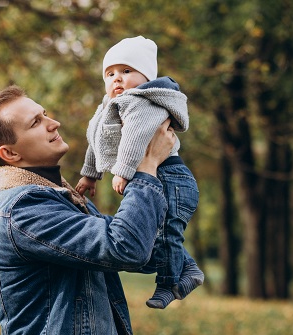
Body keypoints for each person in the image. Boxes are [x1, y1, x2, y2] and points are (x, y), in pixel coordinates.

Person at [0, 85, 176, 335]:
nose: (53, 123)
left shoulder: (60, 199)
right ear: (10, 154)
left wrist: (163, 167)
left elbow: (147, 252)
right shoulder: (26, 209)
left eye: (46, 114)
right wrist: (145, 168)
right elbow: (125, 245)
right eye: (35, 122)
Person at [75, 36, 204, 309]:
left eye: (126, 71)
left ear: (146, 77)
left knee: (168, 234)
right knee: (160, 236)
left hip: (171, 177)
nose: (117, 79)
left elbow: (135, 136)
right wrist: (90, 174)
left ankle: (169, 284)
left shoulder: (142, 102)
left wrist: (122, 171)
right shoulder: (108, 107)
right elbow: (95, 139)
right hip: (152, 174)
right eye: (110, 74)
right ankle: (189, 269)